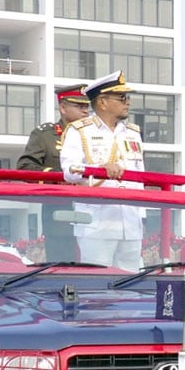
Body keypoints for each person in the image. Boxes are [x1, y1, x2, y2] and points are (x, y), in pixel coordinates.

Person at [60, 70, 146, 270]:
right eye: (122, 97)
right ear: (102, 102)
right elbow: (69, 171)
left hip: (130, 222)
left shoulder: (132, 132)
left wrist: (141, 216)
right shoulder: (79, 131)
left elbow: (139, 175)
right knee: (98, 282)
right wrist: (99, 169)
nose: (128, 102)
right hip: (97, 222)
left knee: (131, 282)